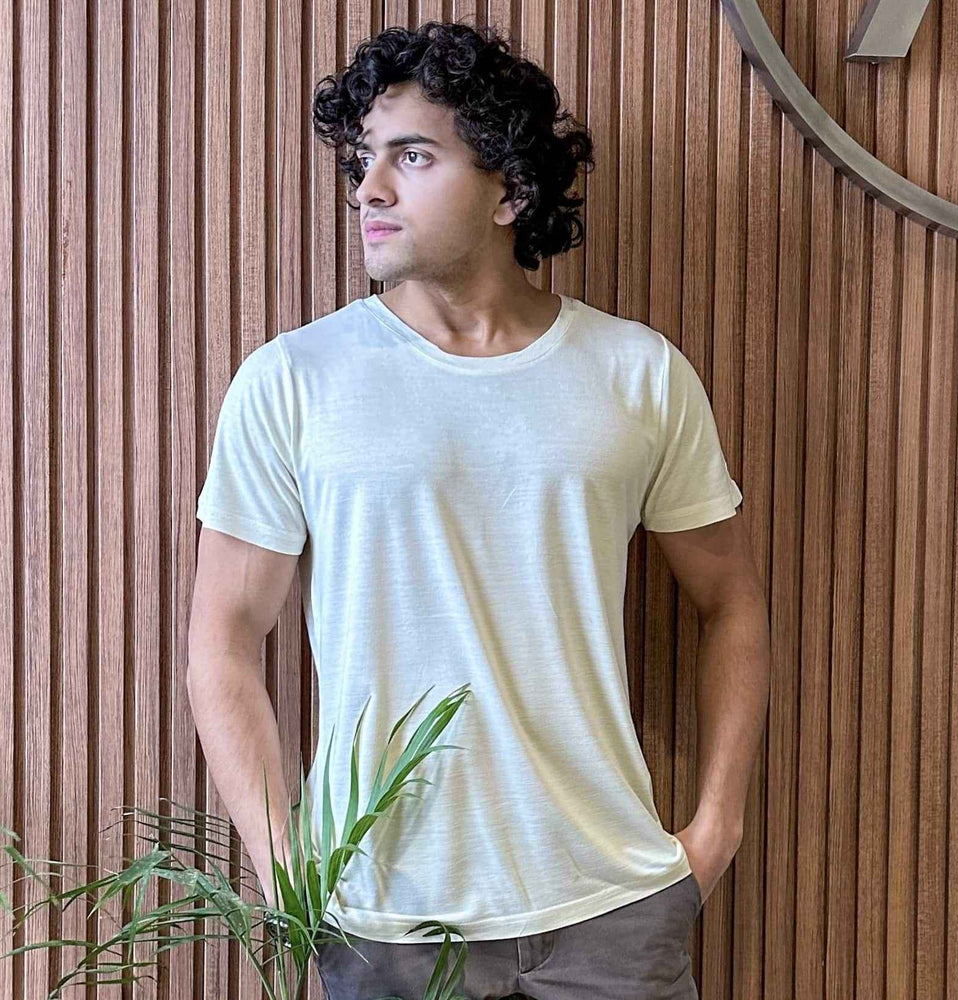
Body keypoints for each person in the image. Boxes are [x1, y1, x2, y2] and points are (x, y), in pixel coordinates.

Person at [186, 18, 770, 1000]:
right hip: (383, 916)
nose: (369, 188)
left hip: (610, 910)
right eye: (362, 158)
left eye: (412, 156)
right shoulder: (294, 380)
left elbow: (730, 600)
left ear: (513, 188)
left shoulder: (636, 373)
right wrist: (290, 868)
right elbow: (224, 634)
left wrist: (714, 832)